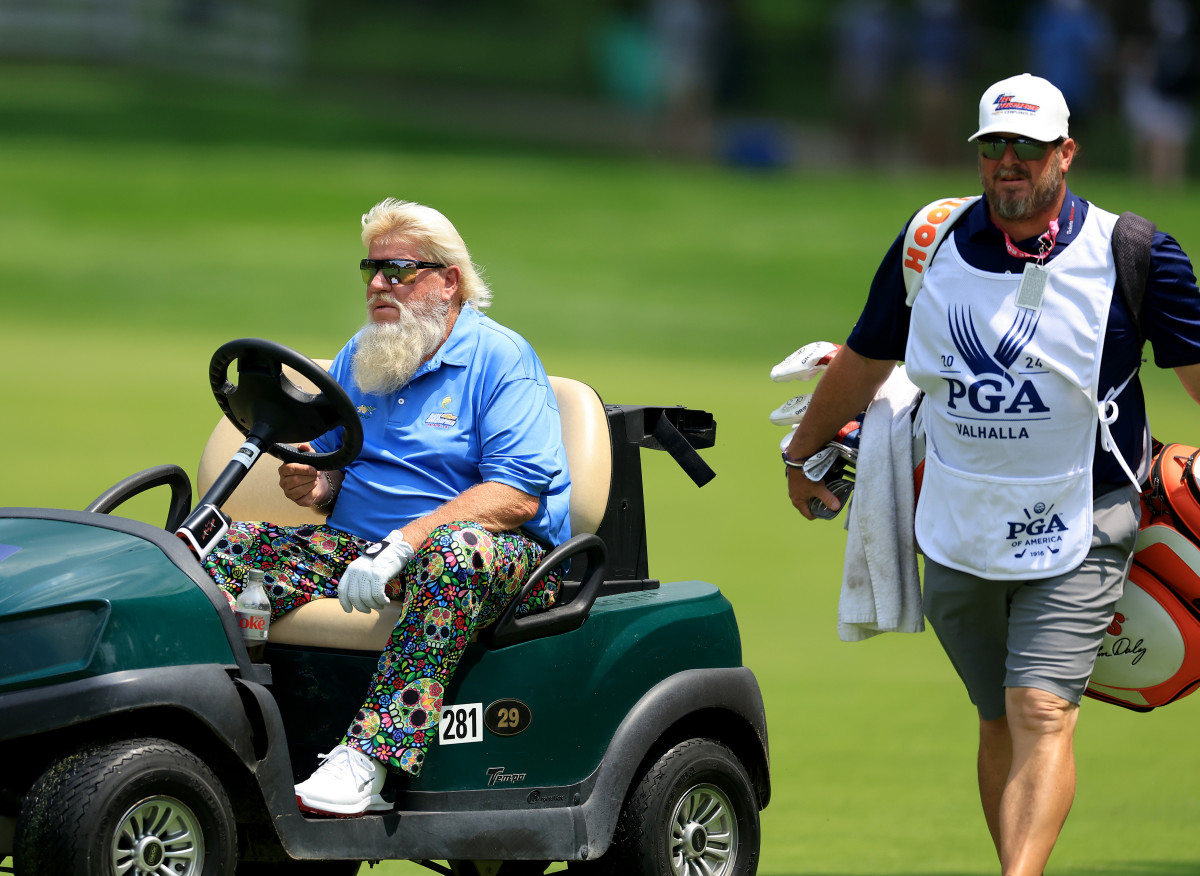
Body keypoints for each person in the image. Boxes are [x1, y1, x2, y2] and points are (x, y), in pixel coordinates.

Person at [784, 74, 1200, 876]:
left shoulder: (1134, 251)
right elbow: (870, 354)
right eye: (994, 146)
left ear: (1065, 152)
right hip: (956, 521)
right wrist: (803, 452)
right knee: (996, 720)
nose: (1010, 162)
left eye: (1029, 146)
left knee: (1041, 708)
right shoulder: (928, 240)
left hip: (1086, 518)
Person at [203, 197, 572, 817]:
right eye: (371, 269)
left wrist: (407, 541)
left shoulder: (502, 359)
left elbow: (516, 494)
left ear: (447, 280)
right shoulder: (366, 352)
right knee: (219, 549)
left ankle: (369, 758)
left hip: (499, 563)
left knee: (454, 555)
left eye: (398, 270)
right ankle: (204, 732)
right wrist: (318, 487)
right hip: (368, 553)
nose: (378, 284)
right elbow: (330, 464)